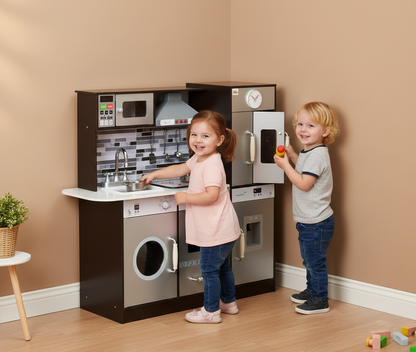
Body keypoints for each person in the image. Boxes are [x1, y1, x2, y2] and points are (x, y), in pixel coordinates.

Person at [141, 110, 240, 324]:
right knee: (222, 268)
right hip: (224, 228)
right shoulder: (200, 158)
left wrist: (186, 197)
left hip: (215, 230)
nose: (198, 140)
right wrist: (155, 174)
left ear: (220, 139)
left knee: (209, 270)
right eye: (194, 135)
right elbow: (180, 168)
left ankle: (211, 312)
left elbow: (211, 196)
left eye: (205, 136)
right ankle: (228, 303)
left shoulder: (212, 165)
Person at [274, 102, 340, 315]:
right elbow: (305, 168)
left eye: (311, 126)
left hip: (316, 222)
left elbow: (304, 183)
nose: (303, 129)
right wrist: (293, 156)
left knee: (314, 261)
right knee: (309, 259)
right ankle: (312, 291)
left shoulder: (318, 155)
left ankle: (320, 300)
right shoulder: (310, 151)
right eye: (300, 124)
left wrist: (286, 166)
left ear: (325, 132)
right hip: (309, 221)